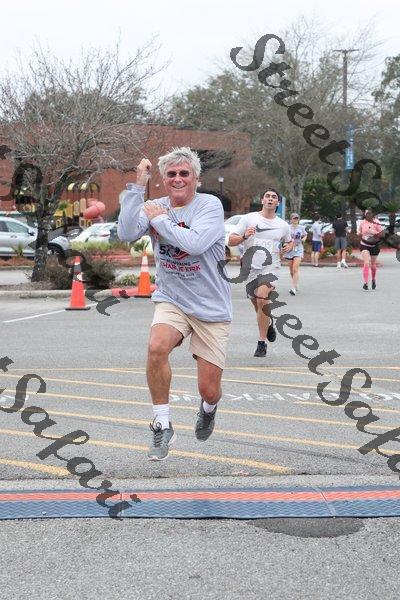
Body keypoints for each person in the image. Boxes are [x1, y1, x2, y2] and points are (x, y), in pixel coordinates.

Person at [118, 147, 232, 461]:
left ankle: (208, 408)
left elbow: (194, 244)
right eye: (171, 174)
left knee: (209, 389)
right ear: (164, 179)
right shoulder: (155, 205)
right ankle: (162, 424)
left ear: (196, 178)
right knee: (156, 347)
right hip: (172, 299)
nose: (178, 179)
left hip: (210, 307)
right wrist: (138, 187)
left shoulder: (209, 205)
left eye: (184, 173)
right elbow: (126, 232)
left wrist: (160, 220)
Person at [228, 188, 293, 358]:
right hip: (250, 267)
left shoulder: (283, 225)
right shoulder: (248, 219)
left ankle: (261, 343)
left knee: (262, 298)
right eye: (267, 196)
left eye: (274, 197)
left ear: (278, 202)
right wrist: (244, 236)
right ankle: (269, 322)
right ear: (262, 200)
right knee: (258, 305)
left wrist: (288, 247)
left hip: (271, 267)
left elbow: (289, 241)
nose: (270, 199)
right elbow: (231, 241)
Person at [357, 209, 384, 290]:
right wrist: (359, 233)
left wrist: (374, 233)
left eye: (370, 213)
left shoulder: (376, 222)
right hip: (364, 244)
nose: (368, 215)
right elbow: (359, 231)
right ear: (365, 215)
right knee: (366, 262)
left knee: (373, 264)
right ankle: (366, 283)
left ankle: (373, 279)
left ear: (372, 214)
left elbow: (382, 234)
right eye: (367, 214)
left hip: (374, 245)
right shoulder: (362, 222)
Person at [284, 212, 307, 295]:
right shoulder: (287, 228)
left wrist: (304, 239)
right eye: (294, 218)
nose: (296, 220)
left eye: (297, 218)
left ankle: (293, 288)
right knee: (291, 271)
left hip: (298, 249)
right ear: (291, 219)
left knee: (295, 269)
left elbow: (305, 235)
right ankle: (295, 284)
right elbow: (283, 237)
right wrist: (285, 244)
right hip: (289, 250)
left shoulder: (301, 227)